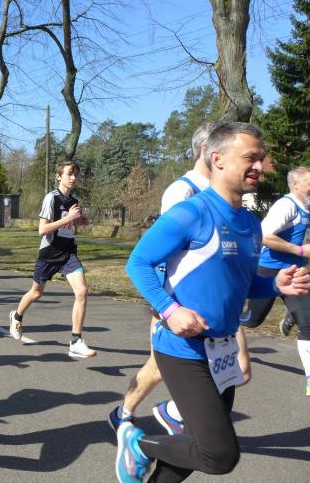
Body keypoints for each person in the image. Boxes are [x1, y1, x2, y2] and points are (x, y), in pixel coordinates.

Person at [117, 122, 310, 483]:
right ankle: (137, 444)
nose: (259, 166)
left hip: (221, 351)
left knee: (194, 450)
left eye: (261, 158)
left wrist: (275, 284)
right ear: (217, 159)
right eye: (250, 158)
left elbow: (242, 282)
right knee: (220, 454)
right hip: (182, 348)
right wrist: (170, 310)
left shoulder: (251, 223)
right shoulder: (191, 212)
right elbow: (138, 263)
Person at [109, 122, 253, 433]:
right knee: (160, 367)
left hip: (214, 305)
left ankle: (178, 421)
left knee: (230, 371)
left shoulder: (228, 193)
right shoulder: (183, 191)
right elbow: (161, 254)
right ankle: (132, 414)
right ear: (209, 151)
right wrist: (167, 308)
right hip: (178, 301)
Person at [8, 161, 96, 358]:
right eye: (69, 174)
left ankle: (76, 341)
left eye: (76, 175)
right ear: (58, 176)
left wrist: (79, 221)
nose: (73, 178)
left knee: (82, 291)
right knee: (36, 292)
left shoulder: (74, 201)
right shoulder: (51, 198)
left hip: (68, 253)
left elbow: (68, 225)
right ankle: (17, 316)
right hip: (49, 254)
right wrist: (68, 218)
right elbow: (43, 229)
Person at [240, 165, 310, 395]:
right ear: (296, 184)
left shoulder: (305, 207)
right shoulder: (286, 205)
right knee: (252, 320)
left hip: (294, 273)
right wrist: (300, 250)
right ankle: (229, 320)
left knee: (308, 323)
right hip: (268, 272)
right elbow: (264, 235)